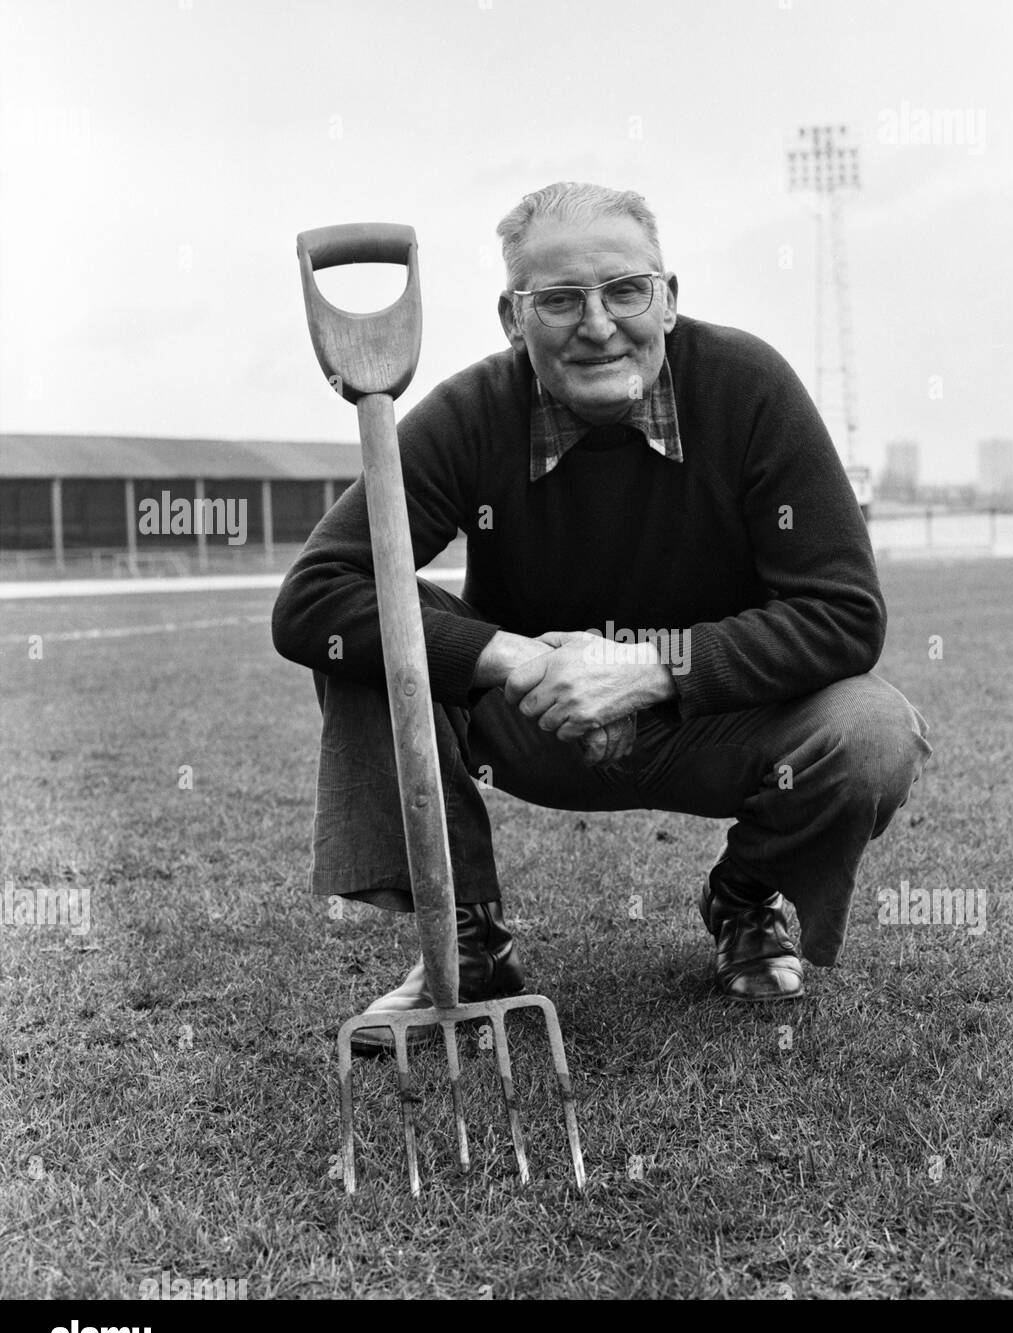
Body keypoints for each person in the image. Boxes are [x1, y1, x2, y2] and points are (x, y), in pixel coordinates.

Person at [272, 181, 931, 1051]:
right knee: (380, 619)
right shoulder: (472, 414)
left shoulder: (749, 389)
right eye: (559, 300)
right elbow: (314, 596)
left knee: (874, 732)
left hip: (721, 728)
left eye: (626, 290)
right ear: (513, 318)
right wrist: (516, 659)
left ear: (669, 298)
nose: (597, 323)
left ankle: (743, 903)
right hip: (535, 722)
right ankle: (464, 943)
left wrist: (650, 667)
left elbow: (844, 615)